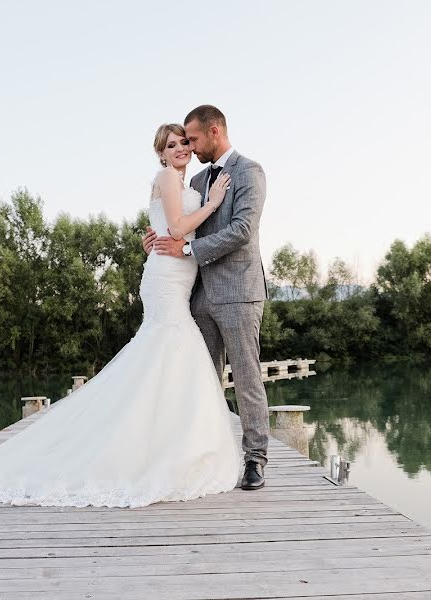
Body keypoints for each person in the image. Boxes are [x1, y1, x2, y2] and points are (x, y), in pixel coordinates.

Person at [0, 122, 242, 508]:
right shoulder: (168, 177)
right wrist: (213, 204)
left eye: (185, 142)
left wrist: (154, 235)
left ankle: (160, 442)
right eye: (173, 144)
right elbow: (177, 227)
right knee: (170, 345)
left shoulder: (184, 185)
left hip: (176, 273)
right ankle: (148, 447)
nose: (181, 148)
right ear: (162, 153)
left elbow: (165, 229)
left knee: (165, 354)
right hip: (167, 277)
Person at [144, 105, 270, 490]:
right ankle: (211, 454)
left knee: (247, 378)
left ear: (214, 132)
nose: (190, 146)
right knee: (204, 380)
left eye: (193, 139)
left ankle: (255, 458)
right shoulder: (195, 180)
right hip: (197, 295)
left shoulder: (250, 171)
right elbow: (176, 223)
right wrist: (150, 237)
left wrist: (184, 251)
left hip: (238, 292)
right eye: (182, 141)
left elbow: (242, 229)